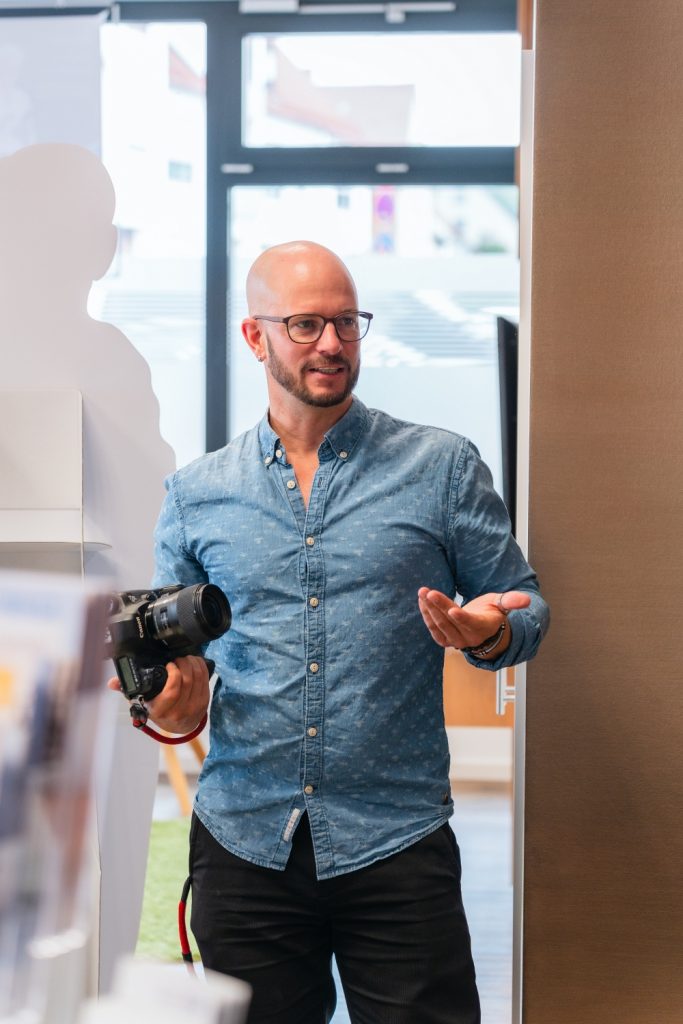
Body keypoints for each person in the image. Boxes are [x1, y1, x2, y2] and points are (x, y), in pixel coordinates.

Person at [132, 241, 549, 1023]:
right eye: (305, 324)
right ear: (255, 336)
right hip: (244, 846)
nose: (331, 343)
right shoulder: (195, 495)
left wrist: (486, 633)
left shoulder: (440, 468)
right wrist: (171, 699)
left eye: (346, 323)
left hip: (396, 841)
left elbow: (525, 609)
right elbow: (176, 678)